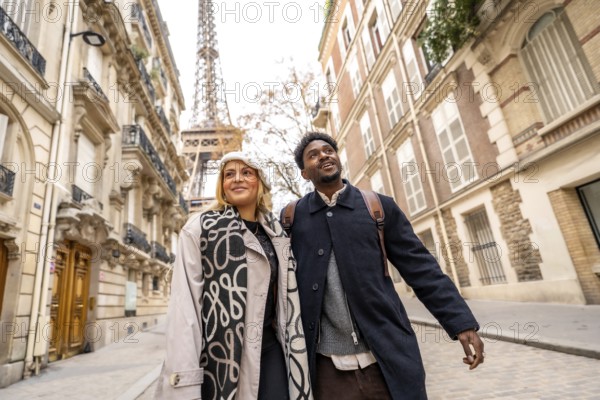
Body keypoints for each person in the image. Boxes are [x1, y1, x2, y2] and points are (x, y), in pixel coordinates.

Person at [282, 132, 484, 400]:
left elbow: (422, 269)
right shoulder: (291, 218)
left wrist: (461, 323)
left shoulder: (377, 207)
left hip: (388, 357)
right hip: (325, 367)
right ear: (305, 173)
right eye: (314, 155)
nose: (324, 155)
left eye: (328, 150)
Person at [155, 152, 312, 400]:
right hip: (221, 357)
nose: (237, 179)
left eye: (246, 172)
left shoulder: (277, 233)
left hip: (270, 350)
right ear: (222, 185)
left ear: (259, 182)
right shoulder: (199, 228)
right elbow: (185, 311)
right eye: (229, 174)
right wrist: (184, 383)